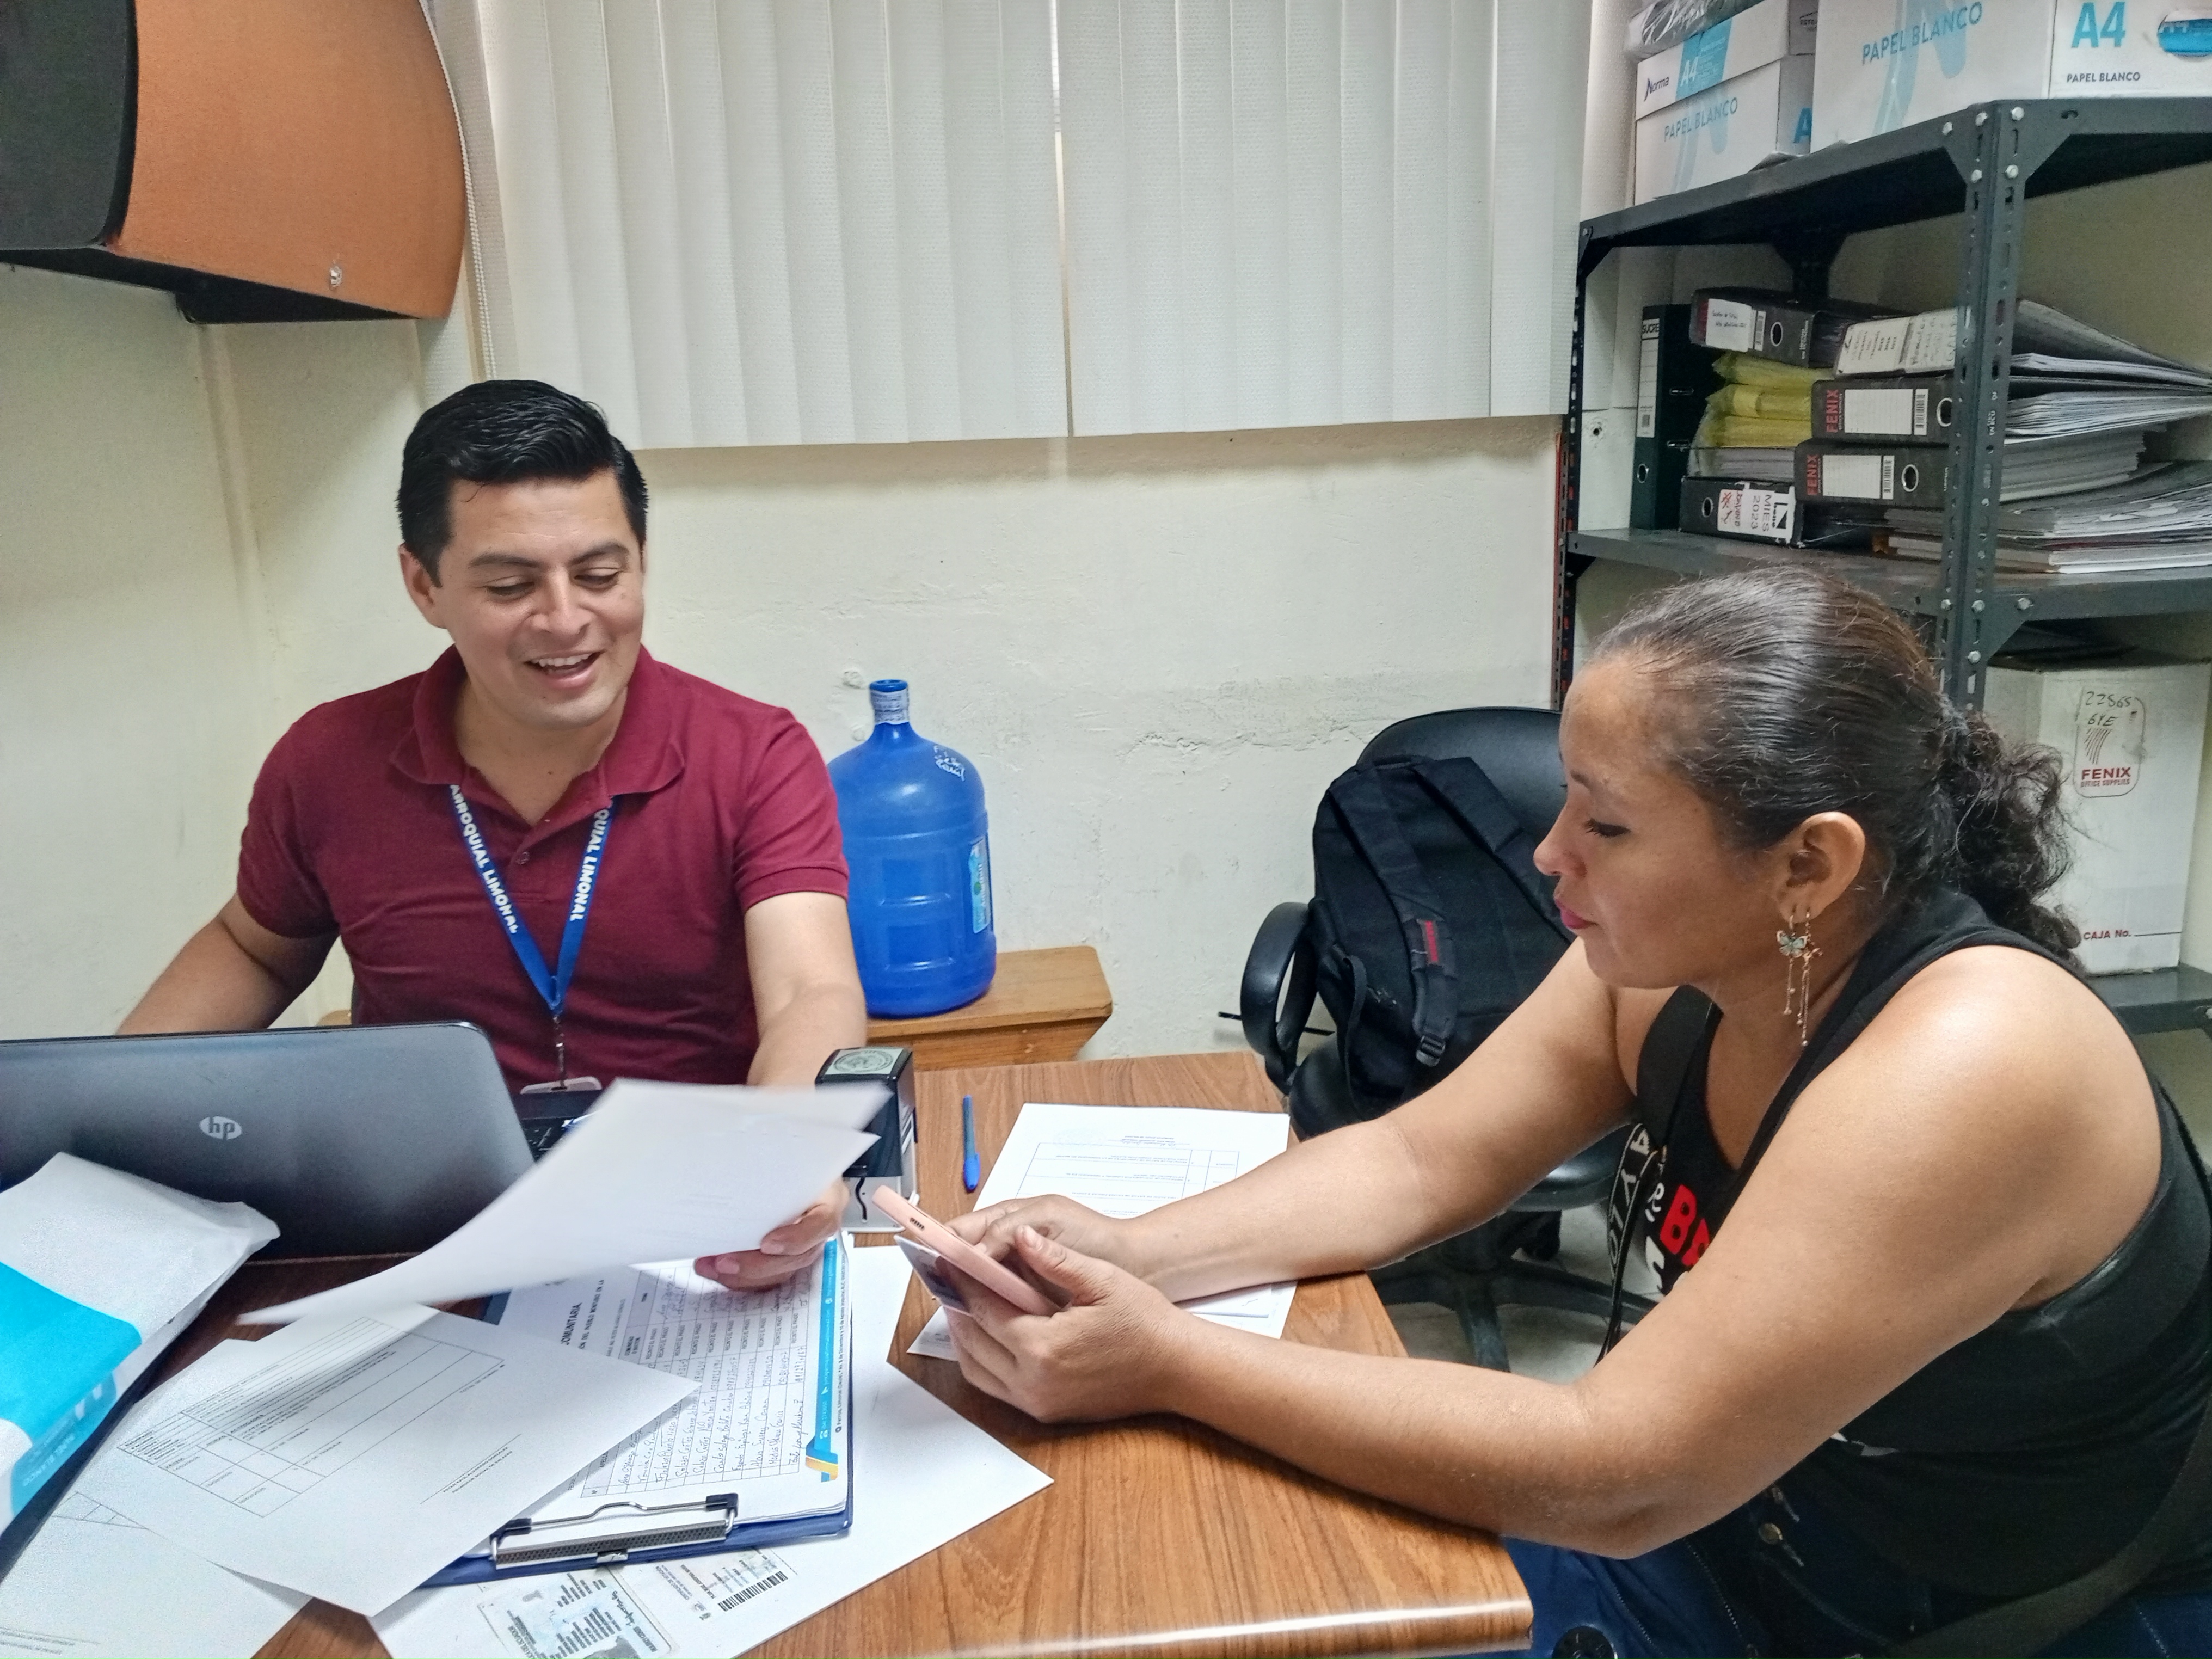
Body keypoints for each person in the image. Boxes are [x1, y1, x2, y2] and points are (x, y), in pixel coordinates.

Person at [940, 570, 2212, 1658]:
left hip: (2010, 1616)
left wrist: (1167, 1361)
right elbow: (1419, 1159)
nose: (1550, 853)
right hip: (1755, 1529)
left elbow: (1623, 1473)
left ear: (1806, 865)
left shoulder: (1970, 1063)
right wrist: (1130, 1251)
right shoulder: (1672, 966)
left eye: (1605, 822)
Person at [123, 380, 865, 1292]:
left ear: (641, 561)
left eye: (601, 576)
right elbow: (255, 945)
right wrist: (112, 1118)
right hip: (420, 1229)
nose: (565, 619)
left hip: (690, 1234)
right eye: (511, 586)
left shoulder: (753, 754)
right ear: (424, 585)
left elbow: (808, 988)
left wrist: (780, 1162)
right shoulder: (326, 761)